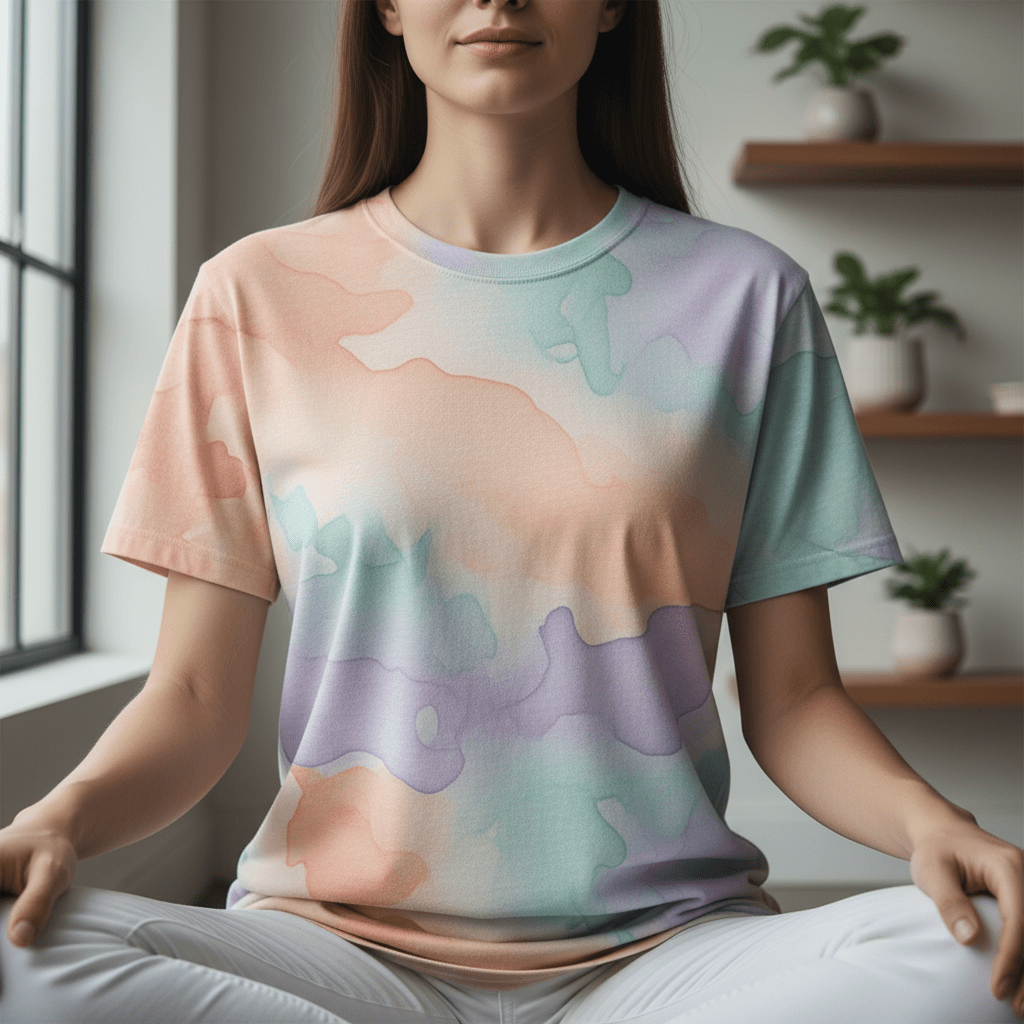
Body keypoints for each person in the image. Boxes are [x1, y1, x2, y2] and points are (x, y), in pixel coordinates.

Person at [1, 0, 1021, 1020]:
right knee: (14, 948)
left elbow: (795, 700)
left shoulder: (749, 298)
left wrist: (934, 824)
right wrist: (63, 815)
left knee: (974, 961)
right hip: (329, 952)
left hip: (663, 956)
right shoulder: (251, 295)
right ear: (387, 10)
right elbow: (191, 694)